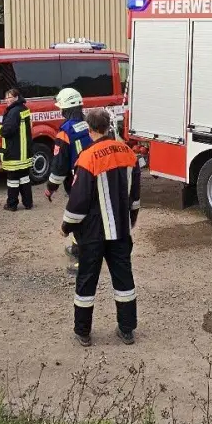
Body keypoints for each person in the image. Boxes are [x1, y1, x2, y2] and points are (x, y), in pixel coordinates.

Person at [62, 109, 141, 346]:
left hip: (93, 233)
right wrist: (131, 219)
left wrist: (67, 225)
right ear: (108, 127)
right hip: (120, 231)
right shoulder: (129, 153)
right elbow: (134, 195)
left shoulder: (88, 157)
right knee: (124, 279)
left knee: (86, 279)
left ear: (89, 129)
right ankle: (127, 330)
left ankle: (83, 332)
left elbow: (79, 199)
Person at [45, 88, 93, 271]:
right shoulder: (91, 123)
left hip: (78, 181)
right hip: (95, 177)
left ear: (64, 108)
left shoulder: (65, 131)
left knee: (81, 217)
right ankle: (76, 247)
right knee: (85, 215)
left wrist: (51, 187)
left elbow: (59, 166)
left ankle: (84, 260)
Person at [0, 87, 34, 211]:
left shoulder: (13, 112)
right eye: (6, 97)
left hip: (14, 153)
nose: (7, 99)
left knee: (12, 180)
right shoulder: (24, 109)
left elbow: (6, 131)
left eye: (10, 97)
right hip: (24, 153)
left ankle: (11, 204)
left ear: (16, 97)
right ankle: (28, 203)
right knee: (24, 179)